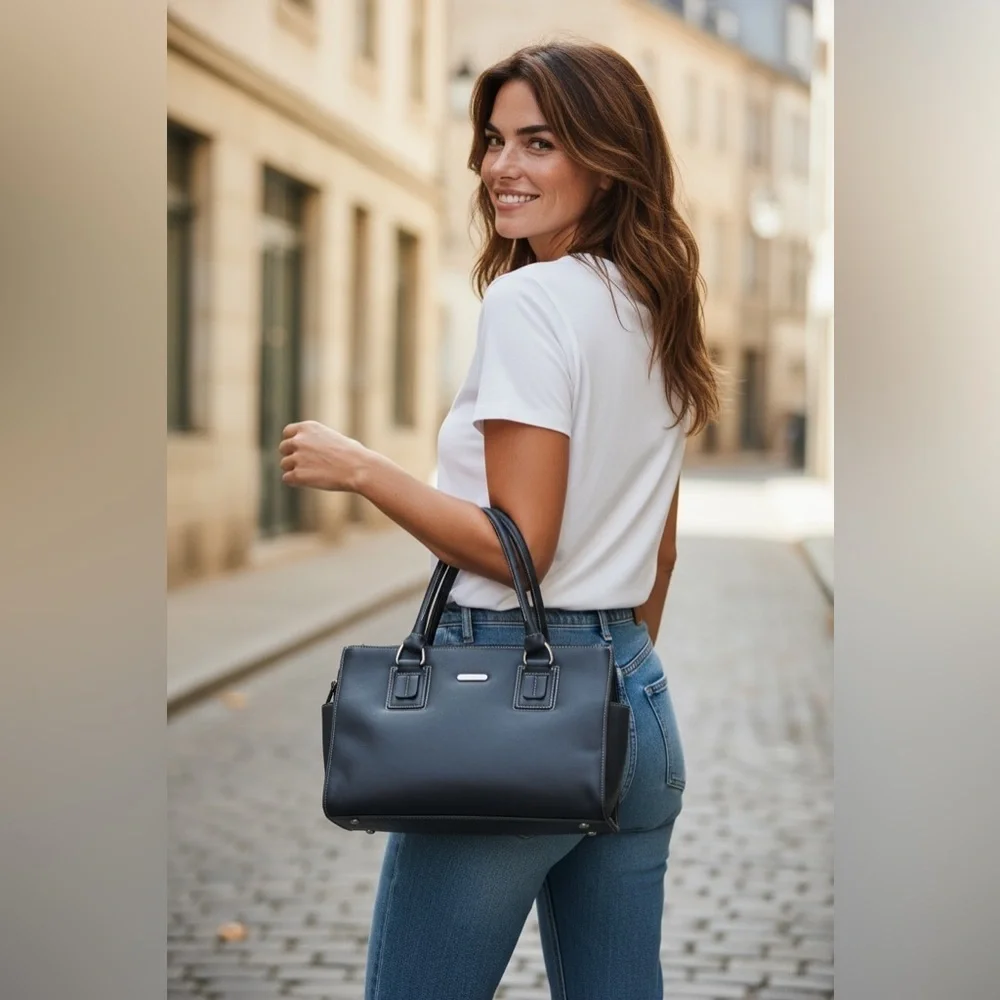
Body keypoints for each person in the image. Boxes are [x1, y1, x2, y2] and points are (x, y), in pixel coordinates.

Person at [278, 40, 720, 1000]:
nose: (499, 167)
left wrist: (364, 470)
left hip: (513, 710)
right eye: (492, 140)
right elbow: (662, 552)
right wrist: (606, 675)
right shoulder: (656, 307)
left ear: (608, 160)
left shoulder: (531, 303)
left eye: (538, 143)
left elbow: (522, 546)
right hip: (635, 702)